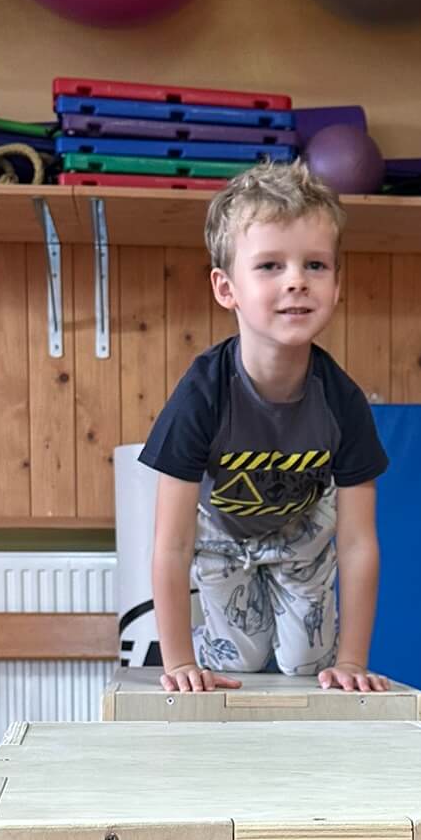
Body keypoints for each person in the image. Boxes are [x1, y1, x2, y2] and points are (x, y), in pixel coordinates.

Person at [140, 160, 390, 695]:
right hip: (221, 532)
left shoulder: (341, 400)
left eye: (315, 265)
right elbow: (172, 541)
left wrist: (352, 659)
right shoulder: (203, 394)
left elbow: (357, 542)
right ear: (226, 287)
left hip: (302, 532)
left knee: (305, 667)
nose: (297, 280)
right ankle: (218, 637)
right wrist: (179, 661)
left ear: (337, 285)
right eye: (271, 265)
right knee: (244, 662)